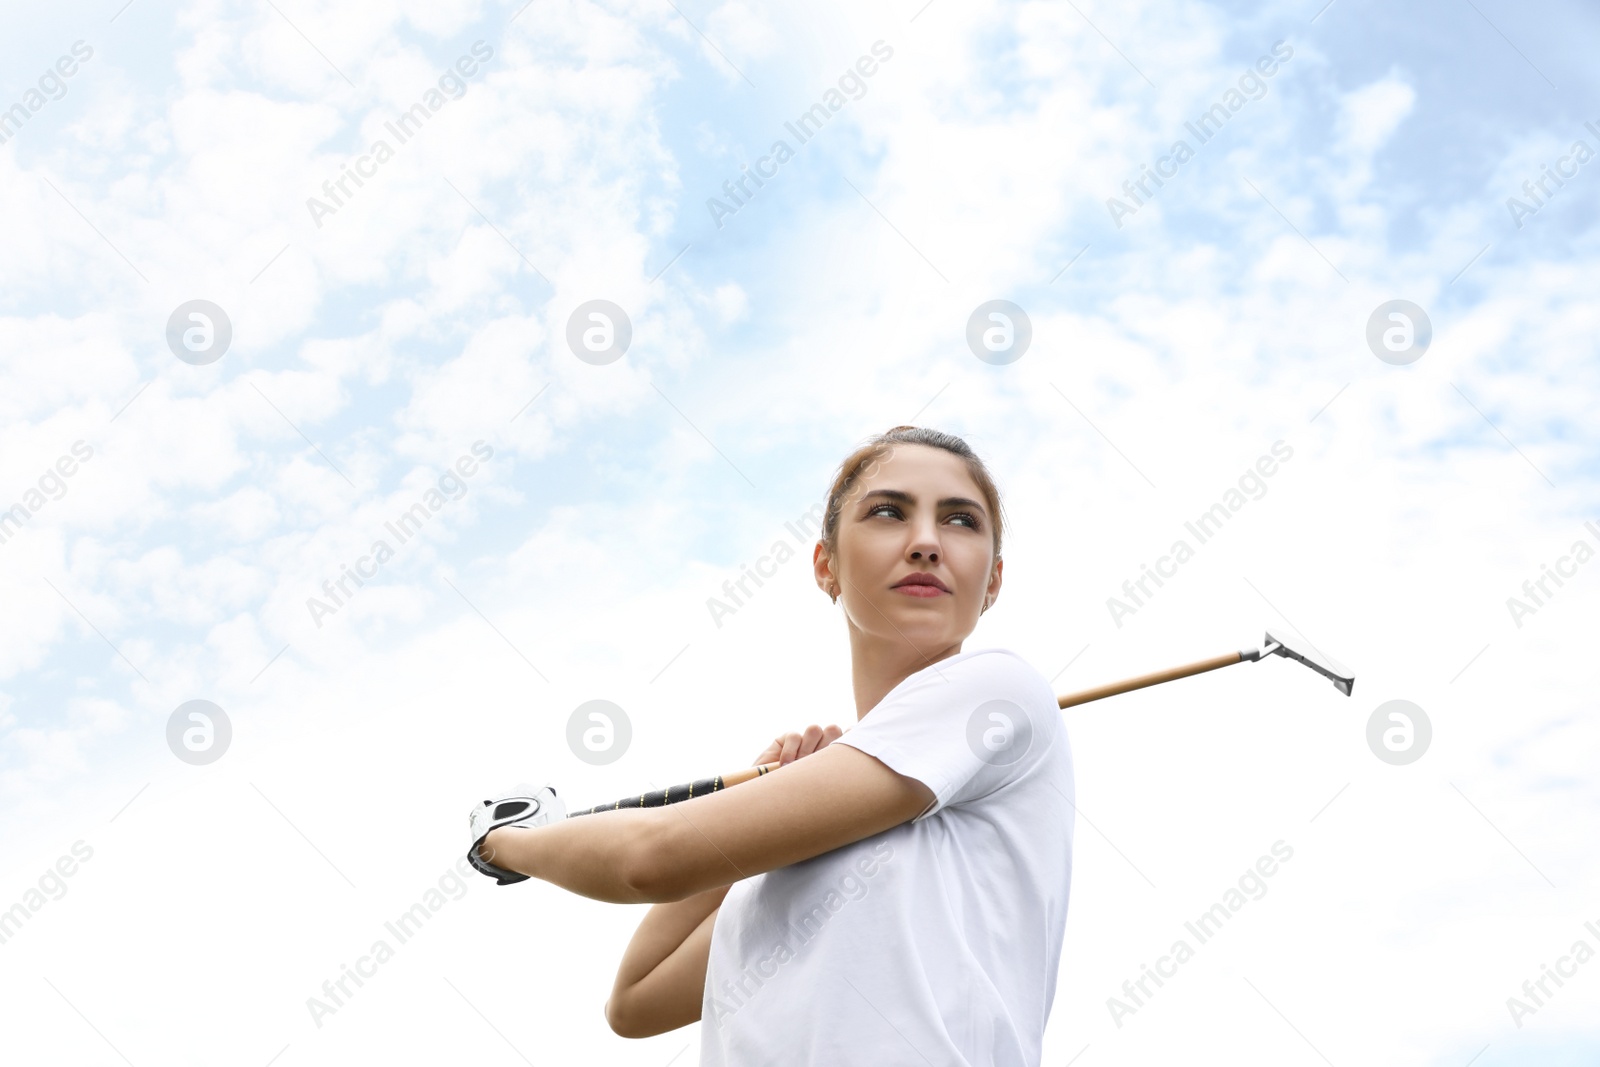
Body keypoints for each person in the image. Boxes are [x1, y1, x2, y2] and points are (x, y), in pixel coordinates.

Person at [475, 426, 1075, 1064]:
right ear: (827, 566)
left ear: (993, 581)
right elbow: (636, 1001)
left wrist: (508, 841)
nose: (926, 542)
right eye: (888, 512)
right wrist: (770, 808)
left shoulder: (996, 690)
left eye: (959, 521)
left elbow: (650, 858)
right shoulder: (808, 843)